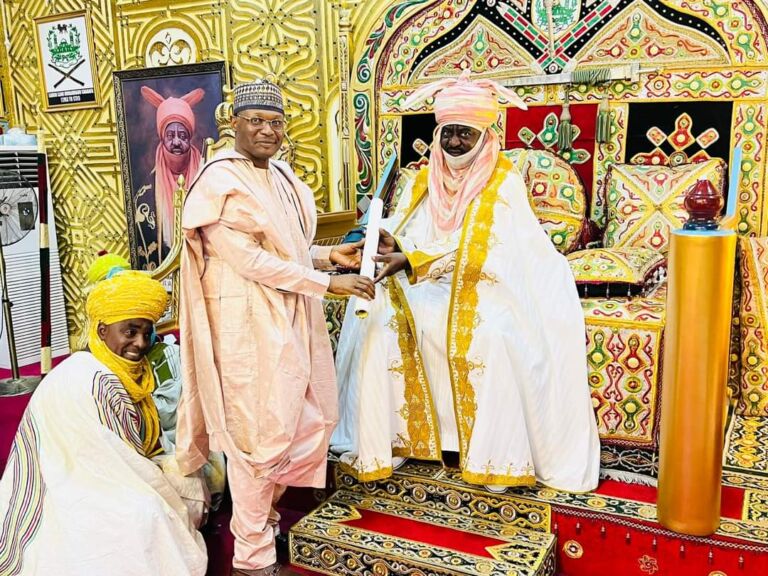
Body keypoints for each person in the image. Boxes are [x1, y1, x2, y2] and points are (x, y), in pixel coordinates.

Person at [331, 70, 601, 493]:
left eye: (465, 134)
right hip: (422, 281)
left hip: (492, 286)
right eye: (448, 133)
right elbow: (408, 227)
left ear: (484, 135)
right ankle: (398, 440)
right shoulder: (423, 179)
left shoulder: (503, 182)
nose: (455, 143)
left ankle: (486, 453)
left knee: (492, 335)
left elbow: (494, 249)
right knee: (378, 321)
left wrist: (413, 258)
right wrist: (391, 239)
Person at [177, 78, 374, 576]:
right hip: (243, 325)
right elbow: (248, 260)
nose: (268, 131)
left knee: (306, 423)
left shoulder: (283, 177)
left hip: (288, 317)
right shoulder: (220, 180)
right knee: (256, 435)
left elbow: (283, 252)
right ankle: (253, 555)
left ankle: (260, 519)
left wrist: (329, 255)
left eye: (276, 122)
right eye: (256, 121)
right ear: (234, 125)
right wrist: (326, 283)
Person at [0, 270, 207, 575]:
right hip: (67, 480)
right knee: (146, 515)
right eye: (130, 331)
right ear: (101, 331)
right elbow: (119, 462)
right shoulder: (97, 379)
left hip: (99, 469)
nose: (139, 343)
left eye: (146, 333)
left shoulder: (121, 369)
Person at [140, 86, 205, 267]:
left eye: (182, 135)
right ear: (162, 137)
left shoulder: (208, 178)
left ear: (190, 138)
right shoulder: (146, 194)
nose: (176, 141)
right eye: (170, 135)